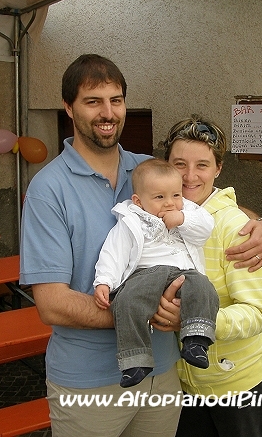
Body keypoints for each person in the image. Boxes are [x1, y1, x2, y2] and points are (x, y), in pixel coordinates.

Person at [19, 54, 262, 436]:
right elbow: (52, 303)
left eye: (116, 100)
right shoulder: (48, 189)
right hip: (92, 380)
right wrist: (145, 315)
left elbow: (207, 200)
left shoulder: (146, 170)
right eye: (93, 101)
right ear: (68, 107)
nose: (108, 112)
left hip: (165, 371)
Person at [158, 115, 262, 437]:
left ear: (219, 168)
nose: (190, 176)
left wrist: (194, 321)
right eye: (179, 163)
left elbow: (256, 313)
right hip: (181, 384)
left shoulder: (235, 228)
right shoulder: (158, 221)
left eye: (202, 165)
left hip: (236, 385)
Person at [93, 158, 220, 388]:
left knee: (204, 288)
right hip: (147, 274)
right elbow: (114, 251)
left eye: (175, 195)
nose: (170, 203)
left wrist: (182, 219)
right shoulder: (131, 220)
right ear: (138, 201)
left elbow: (205, 228)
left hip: (184, 271)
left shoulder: (187, 211)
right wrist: (104, 281)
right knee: (127, 301)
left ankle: (196, 341)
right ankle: (135, 359)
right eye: (160, 197)